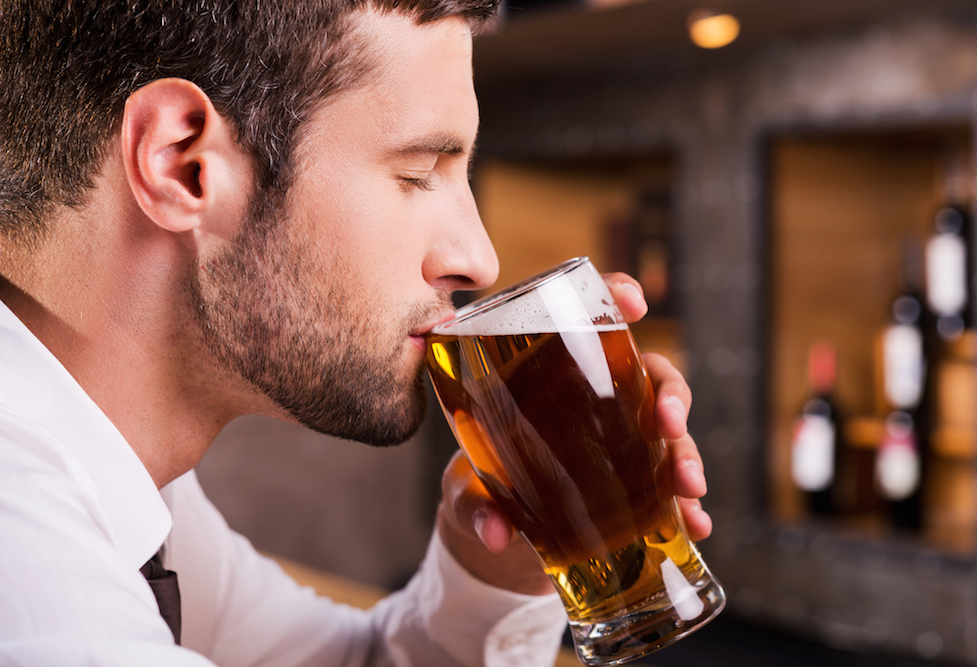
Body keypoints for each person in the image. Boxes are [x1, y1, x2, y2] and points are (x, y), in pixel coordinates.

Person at [0, 1, 712, 666]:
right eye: (417, 172)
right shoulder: (29, 567)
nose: (477, 258)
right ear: (182, 164)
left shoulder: (132, 487)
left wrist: (495, 566)